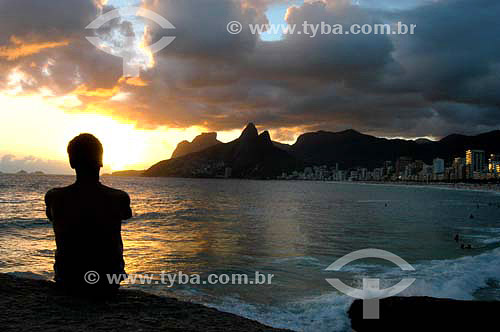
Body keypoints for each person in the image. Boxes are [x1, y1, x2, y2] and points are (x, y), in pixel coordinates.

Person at [45, 134, 132, 296]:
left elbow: (52, 217)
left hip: (68, 279)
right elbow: (126, 215)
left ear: (71, 163)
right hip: (107, 281)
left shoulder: (54, 197)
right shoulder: (119, 198)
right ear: (101, 162)